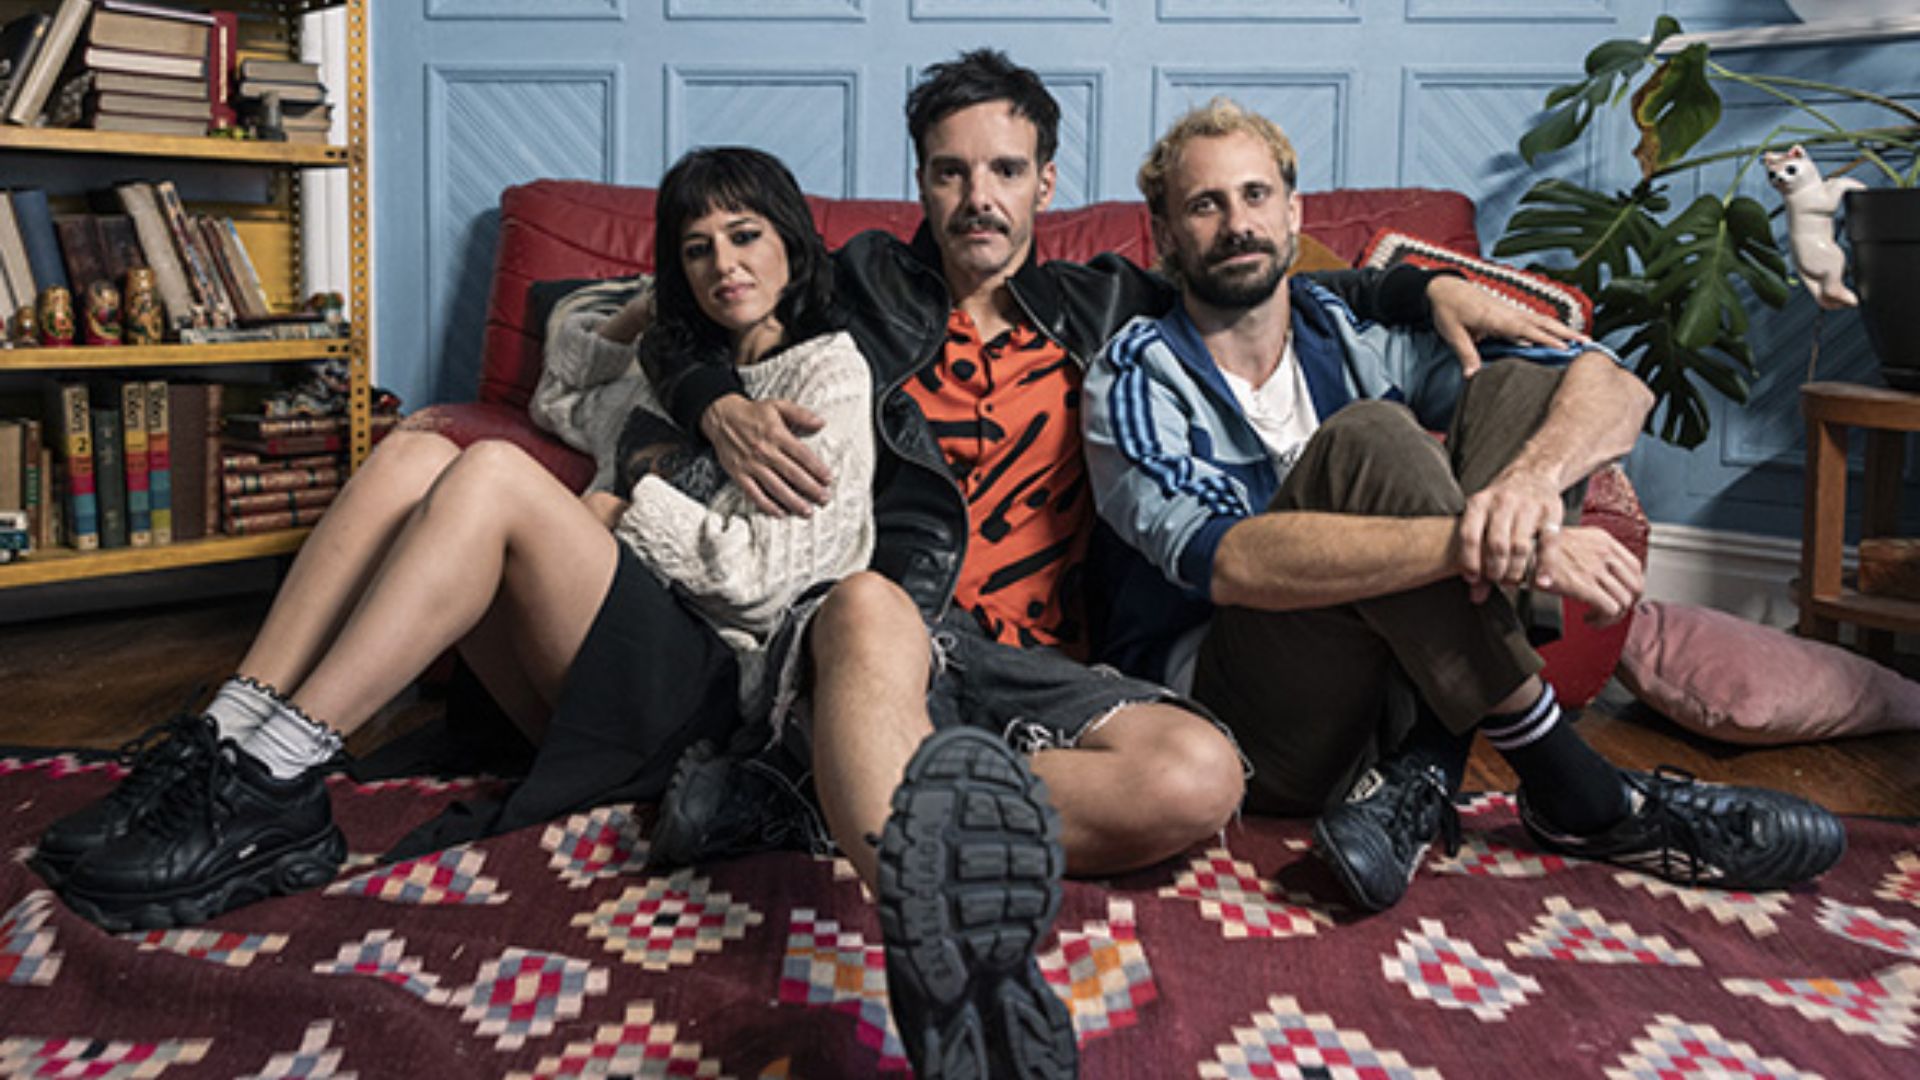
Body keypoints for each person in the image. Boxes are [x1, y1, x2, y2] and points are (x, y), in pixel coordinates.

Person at [646, 51, 1584, 1079]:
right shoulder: (858, 282)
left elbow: (1264, 274)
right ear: (921, 181)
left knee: (1200, 777)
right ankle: (938, 958)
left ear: (1045, 182)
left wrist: (1424, 284)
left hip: (1050, 667)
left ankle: (826, 794)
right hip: (898, 628)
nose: (978, 198)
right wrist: (709, 400)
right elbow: (681, 307)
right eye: (951, 172)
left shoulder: (1107, 306)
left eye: (1006, 170)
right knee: (868, 604)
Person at [36, 146, 877, 932]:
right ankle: (225, 739)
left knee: (494, 473)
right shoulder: (673, 371)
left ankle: (279, 772)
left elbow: (774, 582)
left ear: (791, 243)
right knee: (419, 450)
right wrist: (656, 309)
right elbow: (560, 392)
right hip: (599, 666)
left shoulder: (828, 372)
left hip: (708, 702)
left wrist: (626, 511)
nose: (724, 263)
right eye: (696, 249)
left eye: (744, 236)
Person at [1082, 97, 1846, 918]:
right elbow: (1228, 561)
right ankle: (1576, 787)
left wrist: (1528, 487)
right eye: (1206, 204)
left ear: (1293, 211)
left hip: (1392, 689)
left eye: (1256, 195)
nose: (1239, 223)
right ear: (1165, 234)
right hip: (1245, 721)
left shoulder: (1346, 332)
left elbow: (1604, 379)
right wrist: (1501, 546)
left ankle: (1425, 764)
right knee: (1371, 436)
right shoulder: (1136, 374)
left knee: (1519, 387)